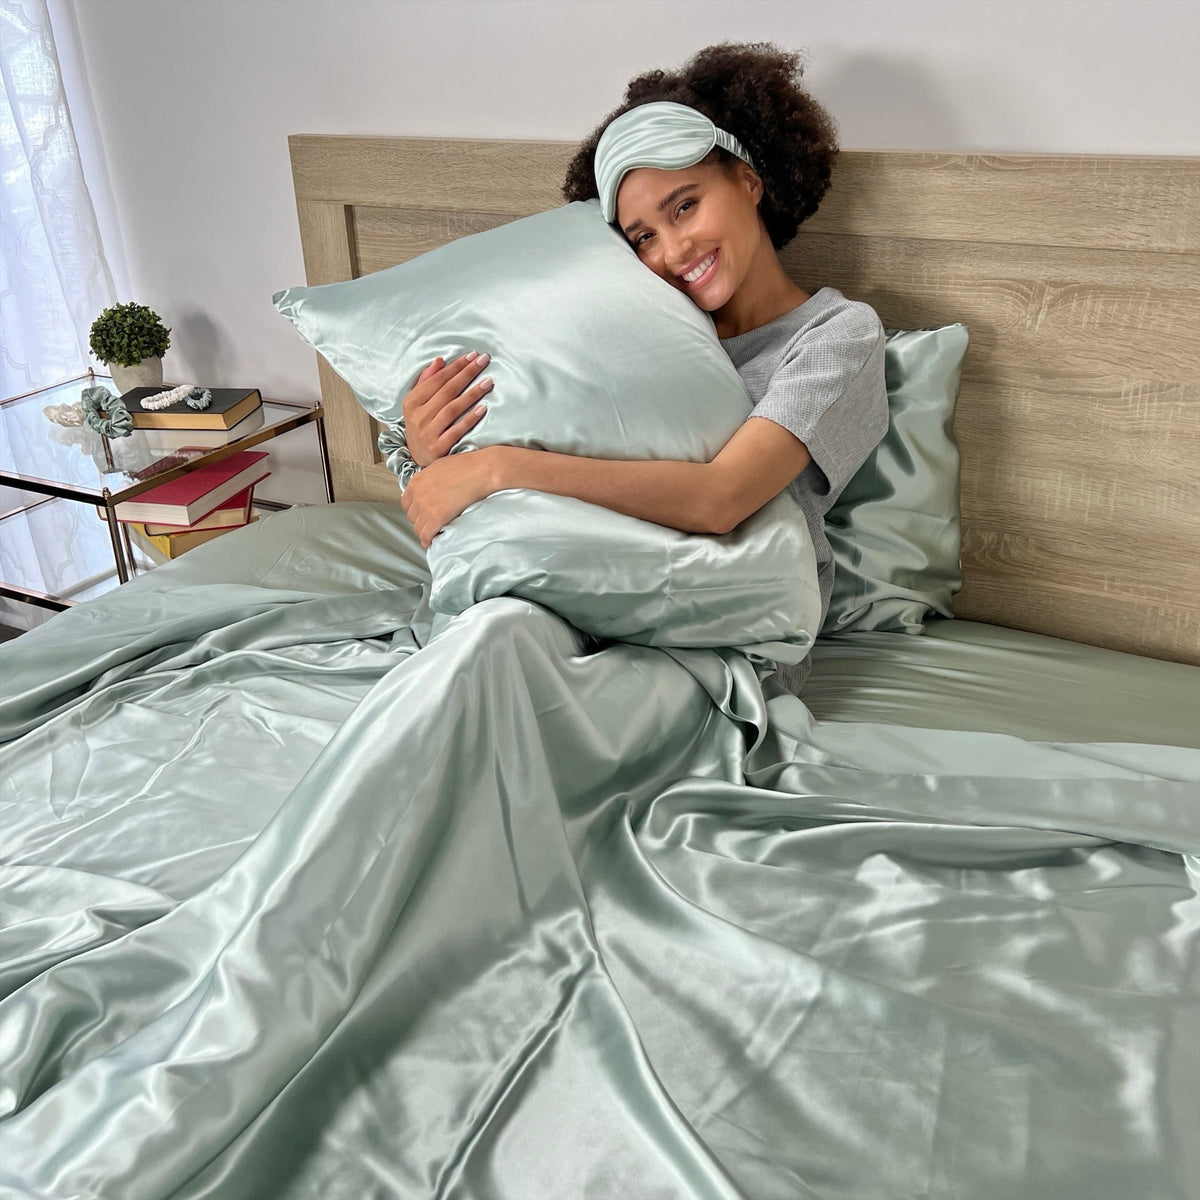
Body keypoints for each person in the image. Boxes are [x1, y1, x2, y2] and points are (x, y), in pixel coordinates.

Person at [399, 41, 889, 692]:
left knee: (504, 675)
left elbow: (723, 499)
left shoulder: (836, 336)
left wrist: (493, 470)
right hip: (582, 591)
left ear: (748, 178)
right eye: (642, 238)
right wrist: (428, 446)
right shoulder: (634, 333)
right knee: (492, 648)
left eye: (684, 205)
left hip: (728, 634)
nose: (673, 250)